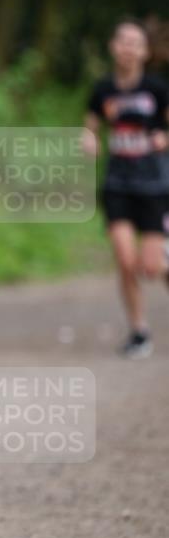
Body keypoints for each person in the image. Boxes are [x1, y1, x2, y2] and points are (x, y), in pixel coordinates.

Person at [83, 20, 169, 359]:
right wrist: (89, 140)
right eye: (123, 41)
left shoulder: (158, 89)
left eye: (135, 43)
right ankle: (139, 331)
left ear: (145, 52)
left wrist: (164, 139)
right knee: (123, 258)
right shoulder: (103, 90)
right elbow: (90, 126)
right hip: (117, 183)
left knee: (151, 267)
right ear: (112, 46)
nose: (128, 48)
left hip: (153, 185)